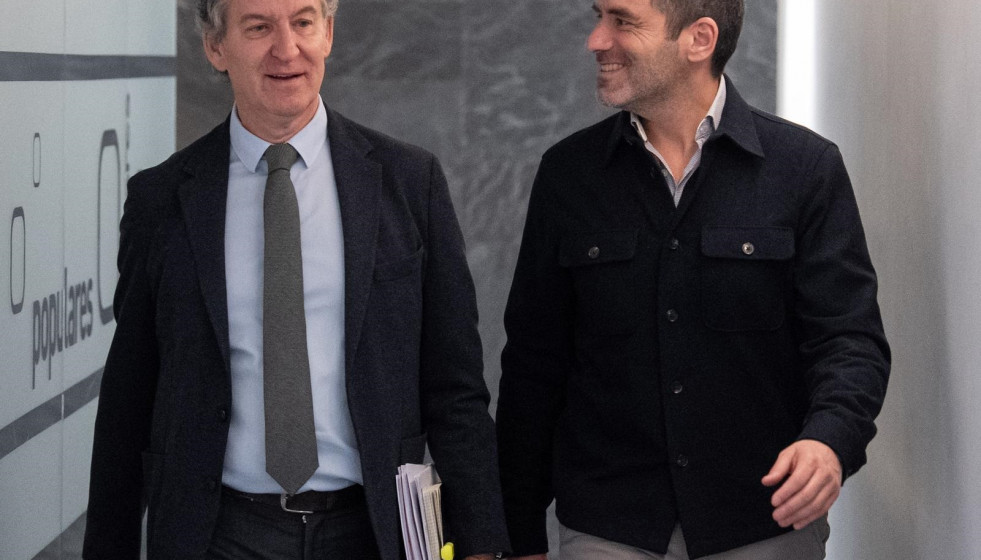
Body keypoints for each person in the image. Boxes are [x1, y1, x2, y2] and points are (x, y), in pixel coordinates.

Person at [82, 0, 508, 558]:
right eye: (259, 27)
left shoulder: (409, 183)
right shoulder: (162, 201)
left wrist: (481, 542)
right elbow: (129, 399)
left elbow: (454, 385)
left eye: (303, 21)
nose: (287, 49)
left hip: (374, 531)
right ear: (216, 47)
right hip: (219, 534)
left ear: (328, 33)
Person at [496, 0, 890, 558]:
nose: (596, 39)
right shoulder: (568, 175)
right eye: (599, 16)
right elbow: (534, 367)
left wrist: (830, 441)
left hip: (763, 523)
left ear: (699, 39)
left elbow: (850, 341)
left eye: (622, 20)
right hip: (608, 528)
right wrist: (518, 530)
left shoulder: (805, 169)